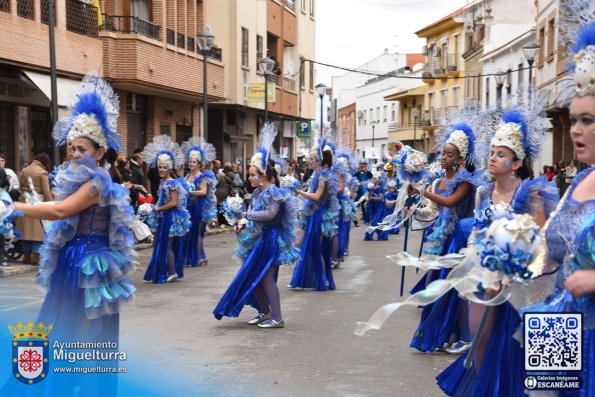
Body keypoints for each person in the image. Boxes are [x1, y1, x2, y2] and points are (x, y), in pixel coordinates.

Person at [5, 74, 136, 396]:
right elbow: (59, 207)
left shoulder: (98, 181)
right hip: (79, 261)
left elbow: (61, 211)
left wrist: (15, 206)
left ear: (100, 151)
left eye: (82, 149)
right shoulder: (87, 178)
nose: (74, 154)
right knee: (75, 334)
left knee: (74, 335)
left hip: (86, 264)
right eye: (71, 148)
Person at [436, 108, 558, 397]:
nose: (492, 158)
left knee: (515, 344)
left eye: (500, 154)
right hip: (484, 276)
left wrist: (514, 267)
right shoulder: (482, 193)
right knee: (478, 337)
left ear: (515, 163)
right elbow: (478, 231)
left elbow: (538, 240)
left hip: (518, 283)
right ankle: (484, 387)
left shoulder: (530, 194)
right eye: (491, 152)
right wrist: (473, 258)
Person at [519, 19, 595, 397]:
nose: (575, 130)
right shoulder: (582, 180)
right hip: (560, 328)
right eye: (574, 119)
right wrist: (515, 255)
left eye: (588, 120)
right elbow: (553, 248)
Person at [214, 123, 299, 327]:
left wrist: (246, 214)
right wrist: (241, 224)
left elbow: (270, 214)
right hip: (259, 239)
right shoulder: (258, 192)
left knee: (266, 279)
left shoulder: (273, 192)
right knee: (257, 278)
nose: (249, 177)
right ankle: (266, 311)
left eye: (253, 174)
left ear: (263, 175)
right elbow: (254, 215)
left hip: (270, 240)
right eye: (249, 174)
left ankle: (277, 318)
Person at [409, 122, 480, 354]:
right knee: (437, 287)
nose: (444, 157)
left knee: (457, 289)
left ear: (460, 159)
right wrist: (415, 209)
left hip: (460, 239)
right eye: (443, 153)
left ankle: (466, 336)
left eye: (450, 155)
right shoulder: (438, 180)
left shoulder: (466, 181)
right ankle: (444, 333)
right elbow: (434, 210)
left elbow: (450, 202)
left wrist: (423, 191)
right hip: (443, 239)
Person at [288, 139, 340, 291]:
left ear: (318, 161)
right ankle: (312, 279)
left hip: (318, 215)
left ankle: (320, 280)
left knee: (316, 248)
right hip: (315, 213)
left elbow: (317, 196)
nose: (308, 161)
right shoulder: (319, 175)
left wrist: (299, 192)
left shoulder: (323, 176)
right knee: (311, 247)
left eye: (311, 159)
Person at [143, 136, 191, 284]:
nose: (161, 170)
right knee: (162, 243)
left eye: (164, 167)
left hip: (170, 217)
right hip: (164, 216)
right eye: (160, 167)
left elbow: (174, 202)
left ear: (170, 168)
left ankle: (173, 272)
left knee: (168, 244)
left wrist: (158, 208)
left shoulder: (171, 183)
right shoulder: (163, 182)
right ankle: (166, 270)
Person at [177, 138, 217, 268]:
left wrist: (190, 192)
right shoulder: (187, 176)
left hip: (197, 207)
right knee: (187, 232)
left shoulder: (202, 176)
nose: (191, 164)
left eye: (194, 162)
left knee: (197, 232)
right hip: (187, 207)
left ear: (199, 163)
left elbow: (204, 191)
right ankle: (192, 257)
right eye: (190, 161)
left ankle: (200, 256)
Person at [15, 153, 53, 265]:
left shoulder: (24, 170)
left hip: (24, 201)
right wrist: (51, 204)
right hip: (37, 202)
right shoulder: (43, 172)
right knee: (38, 231)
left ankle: (26, 255)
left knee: (26, 230)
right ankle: (36, 256)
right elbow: (46, 191)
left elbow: (21, 185)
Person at [215, 163, 234, 227]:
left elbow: (216, 184)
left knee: (220, 208)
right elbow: (231, 186)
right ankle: (224, 222)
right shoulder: (231, 176)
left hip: (219, 193)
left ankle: (221, 223)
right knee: (224, 209)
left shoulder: (221, 176)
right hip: (225, 193)